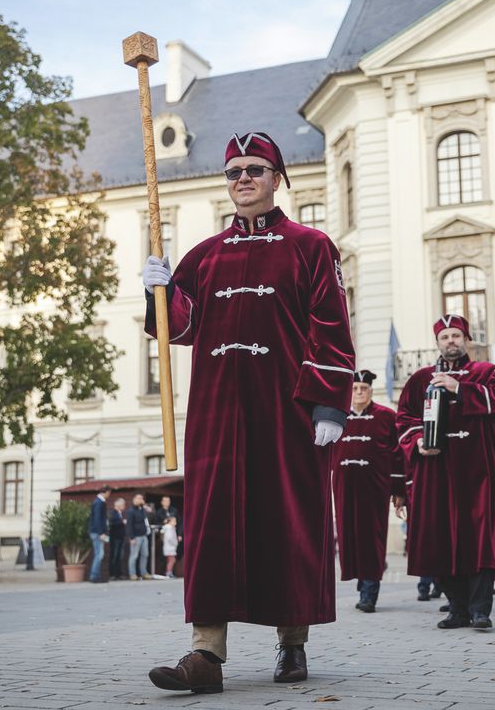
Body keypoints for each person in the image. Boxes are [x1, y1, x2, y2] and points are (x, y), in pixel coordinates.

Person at [144, 132, 354, 694]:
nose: (243, 178)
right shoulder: (203, 256)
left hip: (286, 410)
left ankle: (292, 642)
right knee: (213, 530)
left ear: (277, 177)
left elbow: (331, 330)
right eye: (234, 170)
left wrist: (330, 403)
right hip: (216, 415)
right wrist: (159, 294)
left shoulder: (312, 247)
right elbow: (181, 329)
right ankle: (205, 656)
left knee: (286, 526)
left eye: (255, 169)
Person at [396, 314, 495, 631]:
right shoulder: (420, 379)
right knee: (440, 538)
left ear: (466, 340)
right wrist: (418, 442)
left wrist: (459, 387)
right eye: (445, 336)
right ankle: (457, 609)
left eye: (456, 336)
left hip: (478, 471)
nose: (451, 341)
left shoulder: (486, 372)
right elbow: (403, 419)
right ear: (437, 342)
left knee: (479, 539)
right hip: (436, 471)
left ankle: (480, 610)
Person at [332, 369, 399, 613]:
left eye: (364, 389)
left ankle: (370, 593)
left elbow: (397, 454)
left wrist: (398, 490)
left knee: (372, 537)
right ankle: (363, 584)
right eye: (355, 389)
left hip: (375, 488)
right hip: (344, 487)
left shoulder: (387, 416)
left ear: (370, 391)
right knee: (351, 537)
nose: (359, 392)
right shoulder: (336, 416)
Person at [87, 485, 111, 583]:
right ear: (106, 492)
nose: (109, 495)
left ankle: (96, 575)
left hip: (97, 532)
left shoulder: (99, 502)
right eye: (109, 493)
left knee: (99, 553)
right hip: (97, 532)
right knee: (99, 554)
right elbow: (97, 519)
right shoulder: (99, 503)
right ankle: (94, 576)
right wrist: (101, 533)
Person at [127, 494, 153, 580]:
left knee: (145, 555)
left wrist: (145, 506)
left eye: (142, 498)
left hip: (144, 536)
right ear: (134, 499)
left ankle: (144, 572)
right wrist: (131, 537)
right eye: (139, 498)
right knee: (134, 556)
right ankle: (132, 574)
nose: (141, 500)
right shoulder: (131, 511)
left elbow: (150, 513)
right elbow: (129, 525)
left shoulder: (142, 509)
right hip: (136, 537)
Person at [109, 497, 128, 580]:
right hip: (115, 538)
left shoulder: (120, 513)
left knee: (120, 556)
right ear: (118, 505)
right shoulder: (112, 513)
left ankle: (119, 574)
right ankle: (112, 574)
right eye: (123, 505)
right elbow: (112, 523)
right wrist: (122, 522)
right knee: (114, 556)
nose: (124, 506)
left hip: (121, 537)